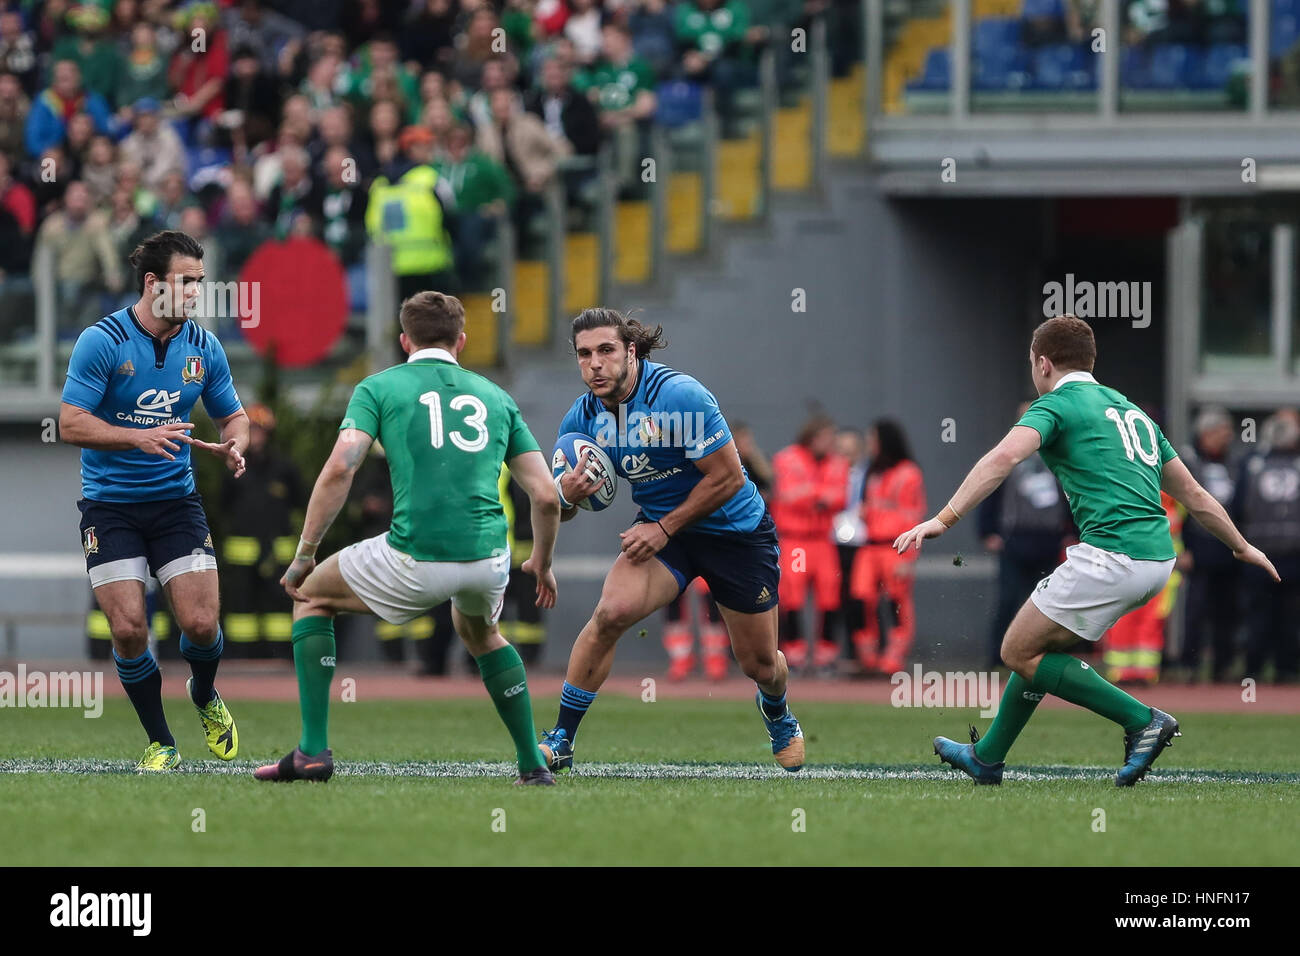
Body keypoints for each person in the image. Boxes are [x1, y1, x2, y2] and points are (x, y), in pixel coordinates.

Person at [896, 315, 1280, 787]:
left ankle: (1143, 720)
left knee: (1016, 650)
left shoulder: (1057, 404)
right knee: (1038, 647)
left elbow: (1001, 459)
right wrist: (1242, 547)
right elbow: (1195, 495)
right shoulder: (1131, 410)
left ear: (1043, 363)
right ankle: (987, 756)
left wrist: (942, 519)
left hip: (1112, 555)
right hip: (1156, 560)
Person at [255, 291, 562, 785]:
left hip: (416, 554)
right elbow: (546, 497)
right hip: (489, 558)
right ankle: (532, 764)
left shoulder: (379, 388)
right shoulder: (498, 398)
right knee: (482, 633)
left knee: (311, 597)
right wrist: (542, 563)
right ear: (461, 341)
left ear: (404, 341)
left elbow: (340, 468)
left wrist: (304, 555)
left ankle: (312, 752)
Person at [537, 307, 803, 773]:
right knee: (610, 613)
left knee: (760, 664)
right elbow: (563, 508)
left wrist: (661, 529)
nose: (594, 364)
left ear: (631, 351)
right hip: (666, 534)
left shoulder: (678, 396)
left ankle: (777, 712)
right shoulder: (580, 420)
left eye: (605, 351)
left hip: (735, 535)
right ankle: (561, 739)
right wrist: (567, 496)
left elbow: (729, 479)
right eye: (584, 355)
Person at [59, 229, 249, 772]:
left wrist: (236, 445)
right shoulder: (103, 340)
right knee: (127, 628)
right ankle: (161, 742)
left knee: (201, 625)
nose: (195, 293)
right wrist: (135, 436)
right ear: (152, 283)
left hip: (175, 502)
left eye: (200, 283)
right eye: (186, 283)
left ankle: (205, 694)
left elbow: (233, 415)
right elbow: (70, 422)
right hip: (110, 505)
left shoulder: (204, 346)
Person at [977, 401, 1074, 670]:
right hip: (1015, 540)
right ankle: (998, 658)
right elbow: (988, 488)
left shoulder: (1059, 455)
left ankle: (1042, 658)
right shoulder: (1009, 454)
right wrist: (987, 531)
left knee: (1047, 604)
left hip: (1049, 540)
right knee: (1008, 599)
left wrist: (1072, 532)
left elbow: (1072, 496)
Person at [771, 414, 847, 673]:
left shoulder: (837, 463)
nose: (832, 442)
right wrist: (819, 495)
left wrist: (811, 494)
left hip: (823, 540)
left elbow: (841, 498)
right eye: (828, 437)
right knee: (793, 596)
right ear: (813, 437)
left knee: (829, 596)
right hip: (796, 540)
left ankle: (826, 657)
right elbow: (789, 496)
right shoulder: (787, 458)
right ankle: (794, 655)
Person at [850, 419, 924, 674]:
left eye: (873, 439)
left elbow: (914, 517)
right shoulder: (872, 472)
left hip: (896, 547)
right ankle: (867, 657)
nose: (870, 444)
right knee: (861, 599)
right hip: (870, 546)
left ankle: (894, 658)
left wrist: (910, 557)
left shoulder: (908, 473)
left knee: (896, 602)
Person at [1232, 409, 1300, 683]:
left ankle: (1254, 670)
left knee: (1258, 615)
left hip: (1257, 554)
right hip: (1292, 555)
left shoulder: (1252, 463)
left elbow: (1236, 509)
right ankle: (1286, 670)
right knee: (1289, 617)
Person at [1178, 406, 1239, 681]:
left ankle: (1222, 668)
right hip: (1198, 549)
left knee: (1226, 613)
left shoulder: (1235, 463)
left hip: (1228, 552)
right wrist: (1181, 548)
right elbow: (1175, 510)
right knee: (1195, 613)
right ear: (1206, 433)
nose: (1226, 439)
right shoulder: (1187, 461)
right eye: (1222, 434)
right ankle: (1189, 667)